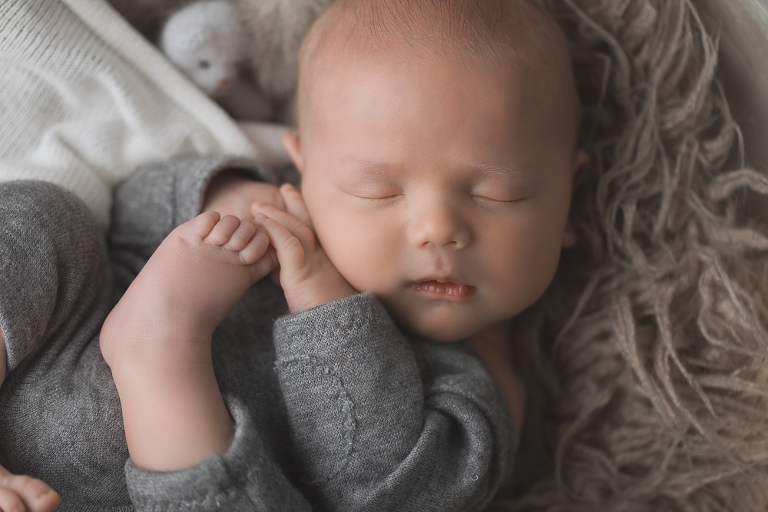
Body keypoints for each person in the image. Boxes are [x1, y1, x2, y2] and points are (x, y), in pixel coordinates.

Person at [0, 0, 588, 510]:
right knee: (43, 218)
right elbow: (129, 211)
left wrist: (329, 311)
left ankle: (159, 356)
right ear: (305, 167)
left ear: (569, 197)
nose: (438, 229)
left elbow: (387, 495)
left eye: (498, 194)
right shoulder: (277, 211)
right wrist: (222, 193)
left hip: (185, 482)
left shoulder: (476, 392)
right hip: (54, 362)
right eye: (376, 191)